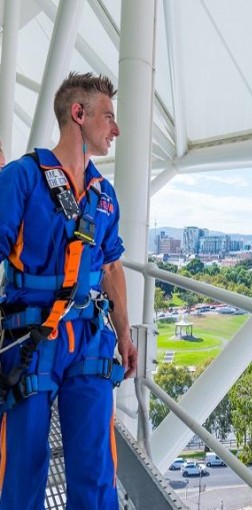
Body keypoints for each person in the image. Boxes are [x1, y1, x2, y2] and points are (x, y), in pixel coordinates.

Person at [0, 72, 137, 509]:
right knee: (22, 470)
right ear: (78, 114)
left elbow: (112, 266)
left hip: (91, 340)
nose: (115, 129)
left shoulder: (105, 195)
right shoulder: (20, 179)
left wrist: (126, 334)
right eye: (108, 117)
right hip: (29, 340)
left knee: (97, 469)